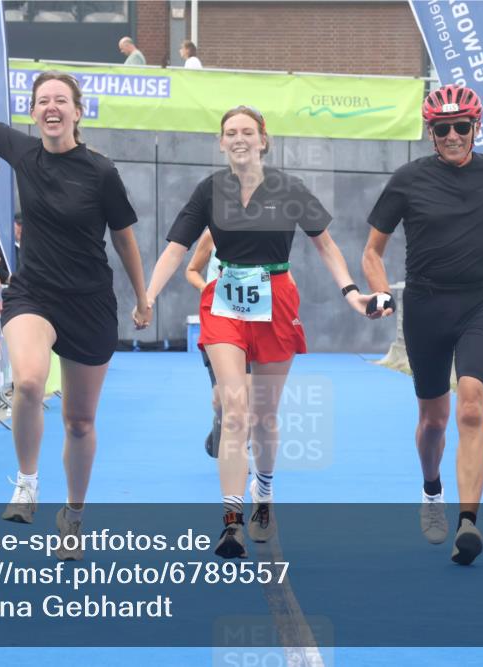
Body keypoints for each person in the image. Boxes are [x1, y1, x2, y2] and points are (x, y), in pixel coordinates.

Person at [0, 21, 151, 560]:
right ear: (34, 111)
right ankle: (25, 481)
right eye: (42, 99)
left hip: (90, 301)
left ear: (77, 111)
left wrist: (142, 297)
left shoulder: (101, 172)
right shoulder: (23, 153)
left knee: (80, 420)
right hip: (35, 294)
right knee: (27, 382)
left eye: (60, 100)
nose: (50, 107)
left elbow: (125, 240)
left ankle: (74, 514)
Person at [139, 106, 379, 559]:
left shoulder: (290, 188)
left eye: (248, 131)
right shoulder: (209, 190)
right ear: (221, 141)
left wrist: (351, 293)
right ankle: (231, 520)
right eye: (231, 132)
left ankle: (263, 494)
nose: (239, 138)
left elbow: (325, 246)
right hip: (226, 300)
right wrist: (148, 296)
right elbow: (176, 249)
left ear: (263, 139)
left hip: (276, 298)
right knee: (234, 408)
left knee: (264, 417)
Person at [362, 84, 483, 566]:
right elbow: (372, 251)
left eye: (460, 127)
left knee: (471, 406)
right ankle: (432, 489)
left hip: (480, 302)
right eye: (442, 128)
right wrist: (382, 289)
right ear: (431, 132)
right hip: (425, 306)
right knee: (433, 420)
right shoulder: (408, 180)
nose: (451, 135)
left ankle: (468, 522)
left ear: (475, 128)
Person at [184, 228, 251, 458]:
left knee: (248, 393)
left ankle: (241, 452)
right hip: (217, 319)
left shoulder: (265, 233)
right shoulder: (212, 233)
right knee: (221, 397)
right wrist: (208, 290)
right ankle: (220, 424)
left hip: (252, 320)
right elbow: (191, 270)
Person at [0, 212, 21, 285]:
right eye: (19, 225)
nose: (21, 229)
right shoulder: (0, 241)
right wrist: (11, 278)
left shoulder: (22, 245)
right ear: (11, 225)